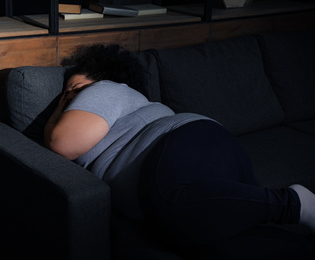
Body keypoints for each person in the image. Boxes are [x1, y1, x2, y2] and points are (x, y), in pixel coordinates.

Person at [44, 44, 315, 258]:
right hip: (210, 153)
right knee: (211, 247)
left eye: (75, 89)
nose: (68, 98)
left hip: (178, 142)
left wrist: (62, 104)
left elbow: (63, 143)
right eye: (66, 94)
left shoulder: (106, 87)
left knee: (171, 201)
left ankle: (293, 202)